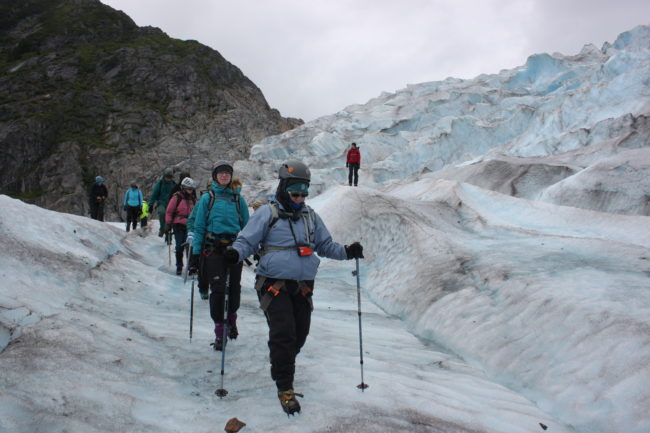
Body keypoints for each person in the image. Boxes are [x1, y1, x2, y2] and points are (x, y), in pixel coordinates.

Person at [223, 160, 364, 415]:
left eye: (303, 193)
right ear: (283, 187)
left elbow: (326, 245)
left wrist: (347, 251)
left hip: (302, 286)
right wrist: (235, 252)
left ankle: (282, 360)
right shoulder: (267, 213)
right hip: (272, 284)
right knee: (284, 333)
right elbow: (247, 240)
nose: (299, 198)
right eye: (295, 192)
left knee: (300, 334)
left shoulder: (311, 217)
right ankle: (284, 386)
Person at [188, 161, 249, 350]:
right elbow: (199, 227)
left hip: (234, 249)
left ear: (231, 176)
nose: (224, 176)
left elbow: (248, 228)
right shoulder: (208, 198)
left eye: (227, 173)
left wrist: (249, 249)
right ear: (215, 176)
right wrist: (195, 256)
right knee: (218, 289)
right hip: (213, 249)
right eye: (220, 173)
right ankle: (219, 331)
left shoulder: (239, 200)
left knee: (234, 290)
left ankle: (232, 320)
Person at [165, 177, 197, 275]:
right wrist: (168, 223)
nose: (190, 191)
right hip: (178, 223)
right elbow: (169, 211)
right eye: (189, 189)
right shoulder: (177, 197)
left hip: (190, 225)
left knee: (190, 245)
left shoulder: (193, 199)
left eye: (192, 189)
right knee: (180, 245)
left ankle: (191, 266)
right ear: (183, 188)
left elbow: (196, 212)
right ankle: (179, 265)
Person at [149, 168, 177, 237]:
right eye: (167, 177)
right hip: (161, 203)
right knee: (162, 213)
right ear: (164, 176)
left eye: (170, 177)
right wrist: (151, 205)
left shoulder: (174, 184)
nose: (168, 179)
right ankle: (162, 229)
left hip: (171, 203)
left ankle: (169, 232)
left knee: (172, 217)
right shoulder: (160, 184)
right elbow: (154, 195)